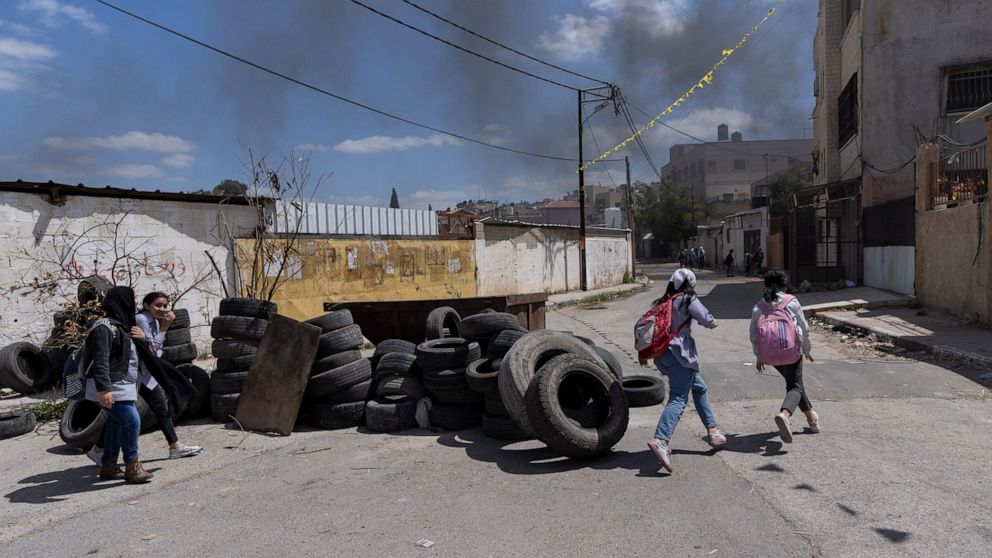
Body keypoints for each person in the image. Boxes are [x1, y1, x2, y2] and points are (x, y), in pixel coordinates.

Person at [87, 292, 202, 465]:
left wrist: (156, 332)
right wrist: (164, 328)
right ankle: (128, 462)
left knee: (157, 409)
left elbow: (151, 350)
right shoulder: (136, 321)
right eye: (157, 305)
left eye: (165, 305)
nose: (162, 309)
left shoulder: (144, 321)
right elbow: (152, 350)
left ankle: (173, 446)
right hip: (130, 378)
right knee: (130, 420)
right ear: (147, 305)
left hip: (140, 375)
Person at [646, 269, 726, 473]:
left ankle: (713, 430)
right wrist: (712, 321)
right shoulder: (688, 299)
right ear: (690, 284)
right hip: (680, 355)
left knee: (699, 388)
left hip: (664, 355)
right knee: (678, 398)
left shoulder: (664, 301)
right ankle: (661, 440)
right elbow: (708, 320)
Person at [84, 286, 153, 484]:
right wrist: (104, 389)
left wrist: (144, 338)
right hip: (110, 387)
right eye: (132, 300)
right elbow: (101, 360)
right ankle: (132, 467)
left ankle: (109, 467)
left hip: (125, 385)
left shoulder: (124, 325)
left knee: (115, 424)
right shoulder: (103, 327)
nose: (135, 304)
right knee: (132, 421)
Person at [750, 270, 819, 443]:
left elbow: (753, 334)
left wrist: (759, 356)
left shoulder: (759, 306)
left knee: (794, 383)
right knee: (795, 387)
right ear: (785, 286)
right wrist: (807, 350)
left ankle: (811, 419)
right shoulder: (791, 301)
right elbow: (803, 327)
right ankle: (785, 414)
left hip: (770, 355)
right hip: (791, 351)